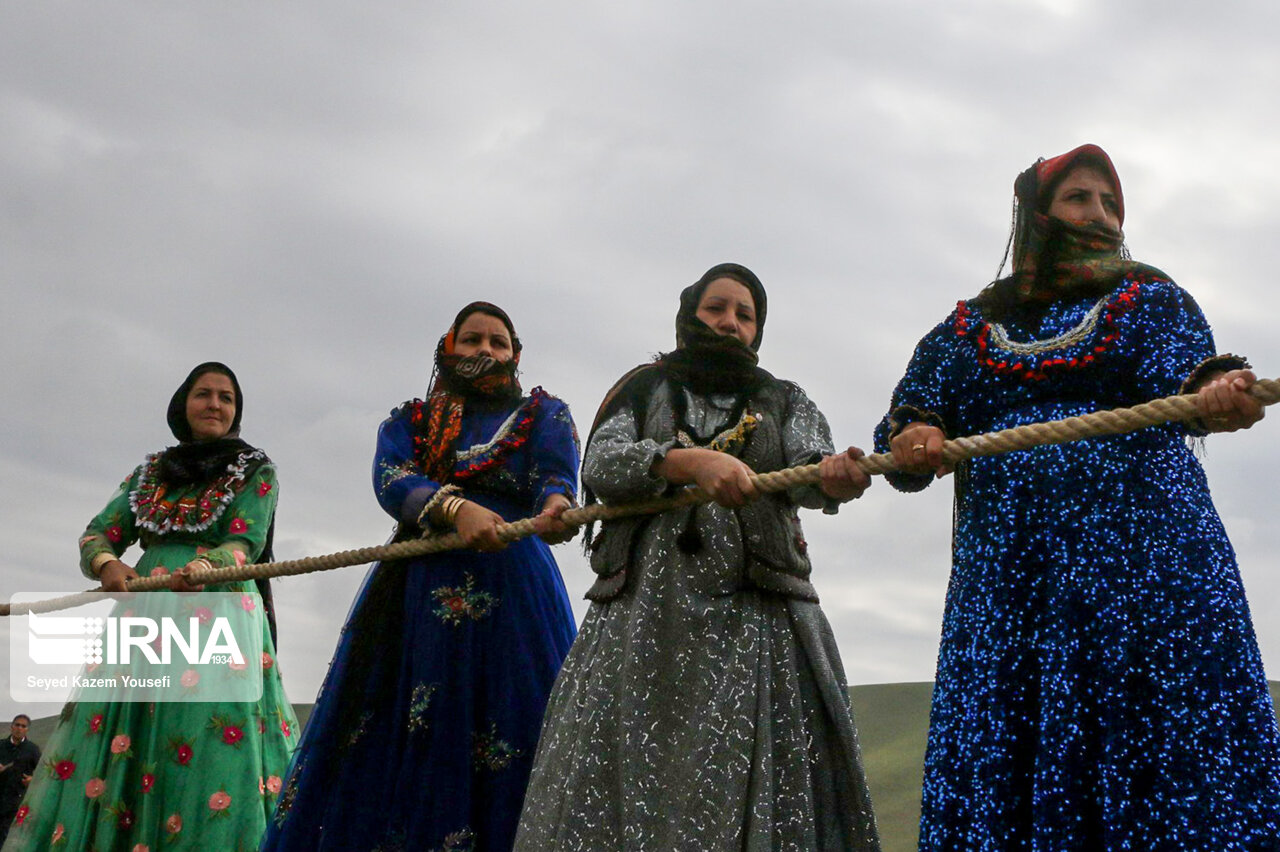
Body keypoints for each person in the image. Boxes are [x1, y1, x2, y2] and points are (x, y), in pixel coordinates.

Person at [875, 144, 1280, 848]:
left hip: (1147, 577)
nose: (1099, 216)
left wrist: (1218, 394)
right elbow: (914, 417)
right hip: (1012, 589)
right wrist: (915, 434)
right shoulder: (965, 330)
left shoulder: (1152, 300)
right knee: (1011, 739)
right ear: (1037, 214)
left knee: (1165, 742)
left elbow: (1191, 380)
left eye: (1111, 203)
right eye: (1079, 199)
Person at [516, 263, 881, 851]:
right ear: (690, 313)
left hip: (756, 619)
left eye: (745, 314)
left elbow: (812, 471)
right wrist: (686, 463)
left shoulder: (785, 399)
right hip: (641, 623)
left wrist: (840, 475)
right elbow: (602, 466)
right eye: (718, 308)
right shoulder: (642, 389)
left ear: (758, 331)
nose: (730, 323)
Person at [262, 301, 580, 852]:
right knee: (413, 721)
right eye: (472, 339)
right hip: (420, 582)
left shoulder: (545, 414)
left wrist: (556, 507)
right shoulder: (409, 420)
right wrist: (456, 510)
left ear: (516, 355)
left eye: (498, 342)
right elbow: (392, 478)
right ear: (447, 349)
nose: (485, 350)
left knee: (524, 714)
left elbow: (555, 474)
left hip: (516, 586)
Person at [2, 362, 298, 851]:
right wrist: (107, 566)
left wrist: (210, 566)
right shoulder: (150, 473)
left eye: (227, 398)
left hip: (217, 613)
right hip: (145, 619)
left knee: (210, 746)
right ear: (183, 404)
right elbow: (99, 531)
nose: (215, 405)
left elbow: (246, 540)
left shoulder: (254, 469)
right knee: (127, 744)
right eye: (204, 394)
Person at [0, 716, 40, 846]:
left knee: (5, 835)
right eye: (17, 725)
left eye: (23, 726)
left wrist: (32, 779)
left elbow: (42, 771)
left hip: (16, 800)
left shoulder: (32, 749)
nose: (19, 728)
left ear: (27, 730)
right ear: (11, 726)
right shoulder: (1, 745)